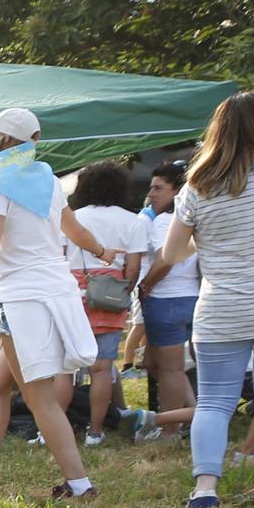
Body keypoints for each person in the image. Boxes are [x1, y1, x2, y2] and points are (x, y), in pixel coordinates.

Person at [0, 108, 117, 502]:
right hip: (52, 291)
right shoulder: (47, 177)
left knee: (39, 398)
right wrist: (102, 250)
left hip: (21, 299)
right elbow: (73, 230)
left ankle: (79, 484)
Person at [156, 90, 254, 508]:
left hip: (222, 308)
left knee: (214, 400)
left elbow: (172, 255)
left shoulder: (197, 186)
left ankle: (205, 487)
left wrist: (207, 243)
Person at [66, 161, 149, 447]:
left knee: (65, 368)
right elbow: (134, 268)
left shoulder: (72, 217)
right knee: (102, 368)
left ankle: (53, 427)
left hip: (73, 296)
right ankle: (95, 431)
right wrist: (122, 289)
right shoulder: (134, 220)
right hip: (112, 298)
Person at [137, 160, 201, 424]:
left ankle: (170, 431)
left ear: (177, 191)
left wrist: (145, 285)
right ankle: (196, 415)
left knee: (170, 370)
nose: (151, 194)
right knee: (153, 362)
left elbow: (165, 259)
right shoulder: (197, 217)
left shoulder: (166, 220)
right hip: (193, 296)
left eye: (158, 188)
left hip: (166, 299)